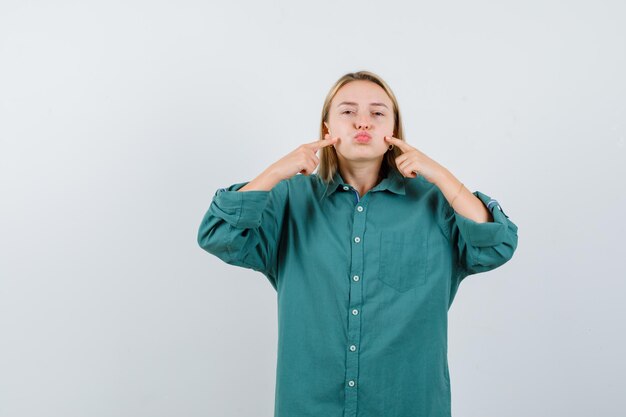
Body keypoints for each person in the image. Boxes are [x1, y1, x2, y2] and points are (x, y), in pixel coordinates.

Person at [197, 70, 519, 417]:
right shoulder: (288, 200)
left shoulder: (436, 204)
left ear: (393, 132)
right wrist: (275, 172)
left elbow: (495, 245)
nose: (362, 122)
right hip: (308, 406)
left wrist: (440, 175)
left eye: (377, 113)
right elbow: (218, 233)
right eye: (348, 112)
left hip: (408, 405)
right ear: (327, 130)